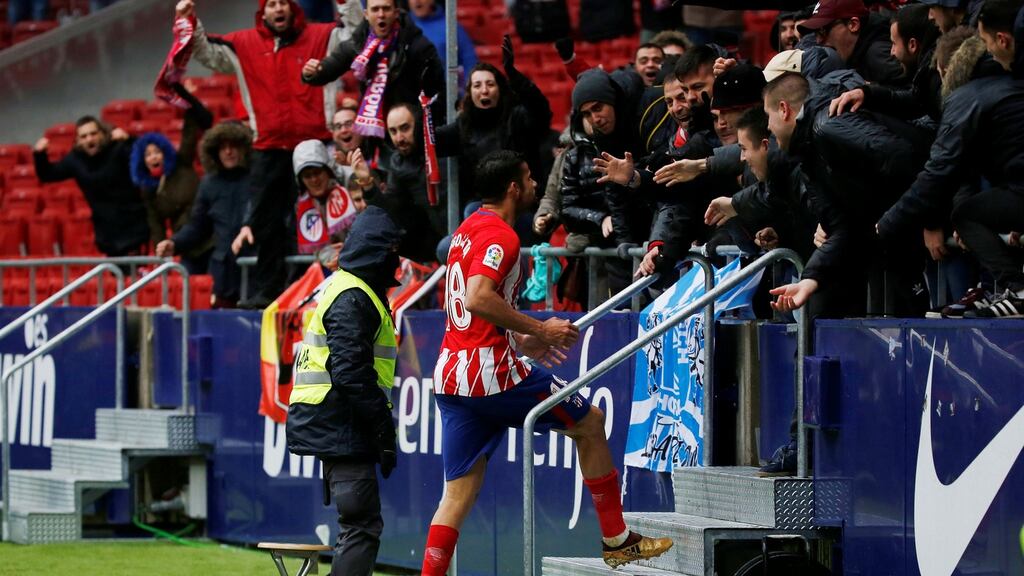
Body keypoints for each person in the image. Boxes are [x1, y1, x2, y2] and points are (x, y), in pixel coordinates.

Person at [419, 150, 673, 575]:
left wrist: (516, 337)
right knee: (590, 423)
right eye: (530, 177)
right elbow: (477, 297)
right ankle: (617, 541)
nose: (537, 185)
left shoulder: (465, 231)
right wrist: (539, 330)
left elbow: (470, 310)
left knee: (457, 493)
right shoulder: (502, 236)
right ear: (513, 188)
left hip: (451, 375)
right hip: (491, 374)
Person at [179, 0, 344, 308]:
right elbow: (208, 54)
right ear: (263, 11)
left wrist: (346, 3)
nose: (278, 9)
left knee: (323, 215)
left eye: (283, 2)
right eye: (272, 4)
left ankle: (326, 286)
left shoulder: (322, 35)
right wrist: (189, 21)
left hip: (315, 144)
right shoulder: (243, 43)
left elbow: (354, 37)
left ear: (292, 7)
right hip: (268, 146)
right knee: (266, 222)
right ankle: (270, 290)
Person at [878, 0, 1024, 318]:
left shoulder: (965, 98)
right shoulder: (1006, 84)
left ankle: (1016, 289)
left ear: (945, 71)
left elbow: (939, 173)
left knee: (966, 215)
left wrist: (886, 225)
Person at [287, 205, 404, 576]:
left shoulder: (349, 287)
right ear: (378, 252)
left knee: (357, 524)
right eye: (391, 253)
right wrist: (383, 426)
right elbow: (351, 373)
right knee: (360, 526)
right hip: (342, 424)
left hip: (336, 421)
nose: (397, 262)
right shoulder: (354, 296)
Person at [436, 36, 552, 209]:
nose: (484, 90)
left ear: (500, 89)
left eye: (490, 84)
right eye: (477, 85)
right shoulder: (463, 127)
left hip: (523, 203)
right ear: (469, 93)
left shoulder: (517, 117)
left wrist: (513, 74)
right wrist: (432, 95)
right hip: (484, 207)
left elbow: (541, 112)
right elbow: (429, 140)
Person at [301, 0, 444, 133]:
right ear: (366, 15)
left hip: (410, 131)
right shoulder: (359, 43)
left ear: (396, 13)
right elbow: (332, 64)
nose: (381, 14)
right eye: (375, 9)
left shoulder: (417, 46)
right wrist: (313, 72)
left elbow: (437, 91)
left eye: (386, 9)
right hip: (376, 133)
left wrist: (420, 127)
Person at [157, 121, 253, 308]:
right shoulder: (209, 183)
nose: (228, 151)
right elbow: (197, 226)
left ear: (244, 148)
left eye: (233, 146)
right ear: (214, 152)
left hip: (254, 269)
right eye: (223, 147)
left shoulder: (256, 178)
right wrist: (175, 243)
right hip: (223, 272)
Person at [34, 117, 150, 257]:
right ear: (78, 140)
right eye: (84, 136)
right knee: (118, 276)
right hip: (107, 233)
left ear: (102, 133)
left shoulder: (118, 148)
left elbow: (147, 158)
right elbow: (47, 175)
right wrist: (39, 155)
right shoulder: (75, 160)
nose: (89, 139)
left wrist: (129, 139)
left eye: (93, 134)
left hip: (134, 226)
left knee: (138, 274)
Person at [131, 83, 214, 273]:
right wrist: (162, 252)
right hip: (186, 244)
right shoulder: (148, 190)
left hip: (211, 237)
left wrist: (183, 94)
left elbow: (191, 129)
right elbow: (156, 225)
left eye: (156, 152)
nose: (153, 157)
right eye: (148, 154)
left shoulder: (181, 162)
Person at [829, 3, 944, 121]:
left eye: (894, 43)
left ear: (912, 45)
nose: (892, 52)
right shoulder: (928, 74)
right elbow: (916, 100)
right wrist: (867, 94)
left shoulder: (940, 78)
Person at [799, 0, 906, 86]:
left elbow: (915, 99)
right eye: (816, 33)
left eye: (823, 31)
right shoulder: (854, 50)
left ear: (853, 25)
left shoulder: (879, 55)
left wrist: (870, 91)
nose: (818, 40)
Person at [407, 0, 478, 86]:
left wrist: (466, 92)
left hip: (444, 93)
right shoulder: (400, 26)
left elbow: (470, 61)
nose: (417, 1)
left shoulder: (451, 26)